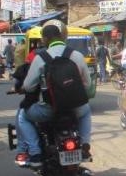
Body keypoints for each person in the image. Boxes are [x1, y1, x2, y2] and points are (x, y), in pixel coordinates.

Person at [17, 23, 94, 165]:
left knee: (23, 115)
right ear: (62, 37)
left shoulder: (40, 58)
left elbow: (28, 86)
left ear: (45, 39)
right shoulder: (76, 55)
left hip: (50, 110)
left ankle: (35, 153)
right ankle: (84, 146)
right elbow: (88, 85)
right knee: (86, 111)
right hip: (75, 109)